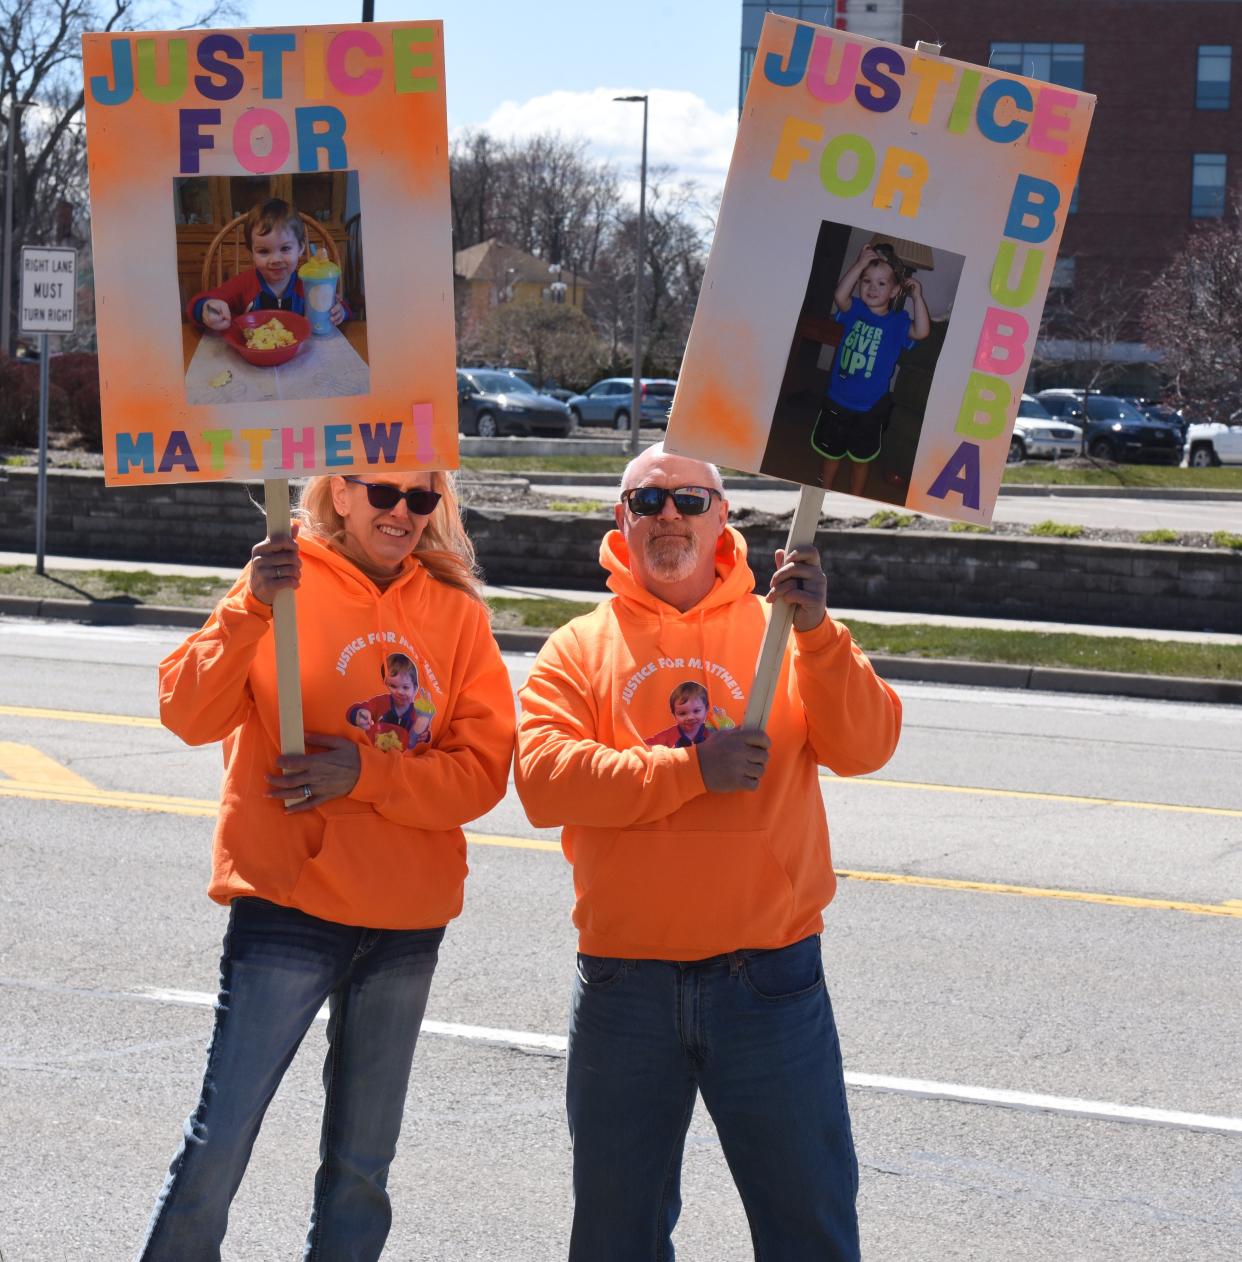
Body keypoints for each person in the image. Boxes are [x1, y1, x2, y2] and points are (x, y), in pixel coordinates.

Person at [515, 442, 902, 1262]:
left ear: (724, 519)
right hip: (626, 985)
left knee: (810, 1227)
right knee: (617, 1236)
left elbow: (868, 744)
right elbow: (546, 780)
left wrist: (823, 634)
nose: (669, 517)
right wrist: (692, 769)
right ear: (621, 522)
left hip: (770, 980)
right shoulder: (579, 647)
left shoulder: (786, 633)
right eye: (648, 502)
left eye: (690, 501)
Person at [140, 469, 515, 1261]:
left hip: (407, 922)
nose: (404, 513)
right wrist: (248, 607)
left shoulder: (456, 615)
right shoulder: (278, 585)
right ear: (338, 493)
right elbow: (186, 712)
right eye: (385, 493)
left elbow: (482, 774)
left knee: (362, 1165)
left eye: (422, 499)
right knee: (221, 1141)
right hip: (289, 904)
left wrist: (366, 773)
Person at [812, 241, 930, 497]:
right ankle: (822, 492)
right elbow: (839, 296)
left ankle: (854, 497)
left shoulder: (899, 322)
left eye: (881, 283)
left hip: (870, 407)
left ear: (895, 290)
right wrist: (860, 264)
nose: (872, 288)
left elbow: (921, 331)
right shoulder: (854, 310)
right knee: (831, 454)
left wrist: (917, 297)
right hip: (838, 399)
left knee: (861, 459)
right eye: (866, 281)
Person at [186, 197, 347, 332]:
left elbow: (341, 306)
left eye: (285, 248)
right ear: (252, 254)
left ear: (301, 249)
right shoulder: (244, 283)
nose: (275, 259)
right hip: (251, 359)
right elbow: (196, 303)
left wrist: (341, 312)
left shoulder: (307, 284)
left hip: (299, 357)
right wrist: (206, 309)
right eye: (264, 251)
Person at [346, 651, 434, 750]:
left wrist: (426, 735)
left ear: (415, 688)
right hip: (377, 753)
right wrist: (358, 714)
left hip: (404, 758)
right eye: (393, 686)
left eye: (405, 687)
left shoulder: (416, 713)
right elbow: (356, 710)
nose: (399, 692)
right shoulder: (380, 703)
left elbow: (422, 733)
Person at [645, 680, 712, 748]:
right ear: (674, 715)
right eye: (682, 713)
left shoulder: (711, 731)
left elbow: (722, 740)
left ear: (706, 709)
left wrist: (722, 724)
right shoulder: (669, 735)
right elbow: (644, 745)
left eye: (696, 711)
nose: (690, 717)